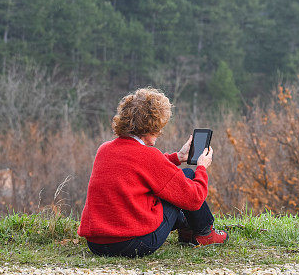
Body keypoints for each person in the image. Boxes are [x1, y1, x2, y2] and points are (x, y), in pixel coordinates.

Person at [78, 87, 228, 257]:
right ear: (151, 126)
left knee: (172, 181)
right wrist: (201, 167)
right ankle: (205, 234)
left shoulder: (104, 149)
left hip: (96, 244)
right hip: (134, 244)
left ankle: (187, 230)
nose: (161, 131)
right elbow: (194, 199)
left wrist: (177, 157)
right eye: (159, 126)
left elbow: (139, 169)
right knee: (188, 176)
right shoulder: (148, 155)